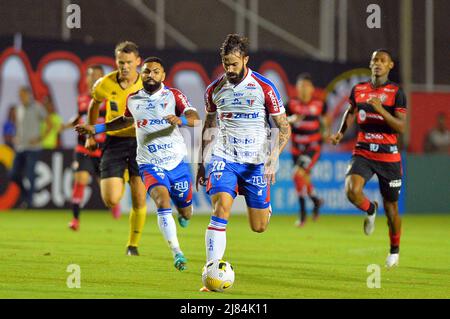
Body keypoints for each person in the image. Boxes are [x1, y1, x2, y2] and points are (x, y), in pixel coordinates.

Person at [76, 56, 200, 271]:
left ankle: (183, 214)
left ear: (163, 75)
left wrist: (182, 120)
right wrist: (95, 129)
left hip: (176, 163)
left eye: (155, 71)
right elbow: (125, 121)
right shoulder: (133, 99)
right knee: (162, 202)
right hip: (149, 163)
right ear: (141, 75)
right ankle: (177, 252)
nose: (150, 75)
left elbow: (195, 118)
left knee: (186, 210)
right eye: (146, 71)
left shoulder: (173, 96)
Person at [196, 34, 291, 291]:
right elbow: (209, 125)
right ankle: (212, 272)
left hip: (256, 163)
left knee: (258, 227)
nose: (229, 69)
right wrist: (201, 162)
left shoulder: (264, 87)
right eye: (226, 63)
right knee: (221, 209)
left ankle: (264, 210)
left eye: (234, 63)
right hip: (224, 158)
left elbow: (284, 128)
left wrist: (273, 156)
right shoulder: (214, 89)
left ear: (245, 60)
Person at [330, 49, 406, 268]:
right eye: (374, 60)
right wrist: (341, 133)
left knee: (391, 209)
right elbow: (351, 112)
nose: (377, 63)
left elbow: (401, 127)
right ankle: (369, 208)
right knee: (351, 190)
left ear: (390, 65)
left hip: (388, 156)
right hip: (363, 151)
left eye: (383, 60)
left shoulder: (396, 92)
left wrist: (381, 109)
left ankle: (394, 250)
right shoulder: (359, 89)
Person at [85, 41, 147, 256]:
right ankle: (123, 175)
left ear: (138, 62)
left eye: (129, 62)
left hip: (140, 143)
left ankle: (133, 245)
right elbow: (94, 104)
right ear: (116, 61)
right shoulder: (104, 83)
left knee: (139, 197)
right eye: (121, 62)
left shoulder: (146, 86)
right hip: (114, 142)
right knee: (111, 199)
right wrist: (91, 134)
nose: (125, 67)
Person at [60, 65, 121, 231]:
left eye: (98, 75)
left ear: (103, 79)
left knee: (105, 187)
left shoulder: (110, 99)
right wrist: (66, 125)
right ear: (86, 79)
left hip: (103, 149)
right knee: (81, 179)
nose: (94, 78)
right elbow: (80, 117)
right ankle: (75, 219)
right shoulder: (81, 98)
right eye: (91, 75)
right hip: (84, 147)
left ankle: (113, 203)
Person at [286, 73, 329, 227]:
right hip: (296, 149)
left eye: (306, 86)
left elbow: (325, 121)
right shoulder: (290, 105)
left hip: (313, 147)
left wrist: (325, 133)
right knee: (303, 178)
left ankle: (303, 215)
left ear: (311, 89)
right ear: (297, 88)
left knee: (297, 174)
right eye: (301, 86)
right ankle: (316, 201)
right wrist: (291, 120)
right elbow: (281, 122)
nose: (303, 89)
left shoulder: (319, 104)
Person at [10, 86, 53, 208]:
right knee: (13, 174)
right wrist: (16, 136)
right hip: (20, 147)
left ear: (29, 94)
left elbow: (49, 124)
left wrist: (40, 138)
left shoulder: (37, 107)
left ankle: (29, 202)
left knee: (30, 174)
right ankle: (26, 195)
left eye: (22, 95)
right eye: (19, 95)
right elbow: (19, 126)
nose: (20, 97)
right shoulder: (18, 109)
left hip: (33, 148)